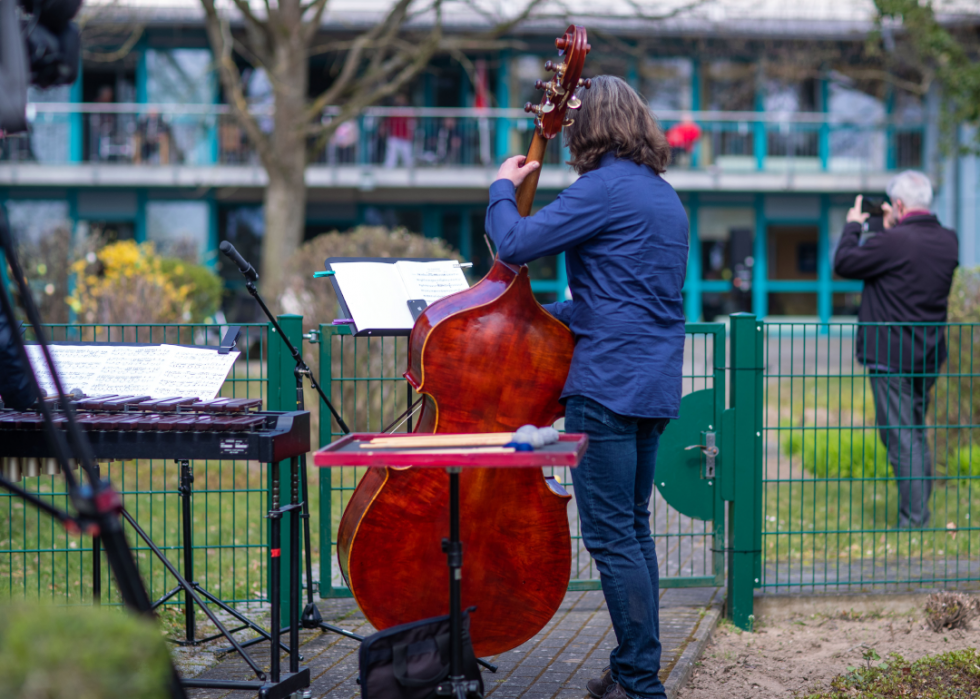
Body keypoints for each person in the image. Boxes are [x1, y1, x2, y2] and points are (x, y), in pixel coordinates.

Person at [486, 75, 688, 699]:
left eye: (574, 125)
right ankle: (637, 667)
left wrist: (501, 186)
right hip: (653, 384)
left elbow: (514, 242)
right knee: (633, 531)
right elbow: (620, 301)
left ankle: (638, 682)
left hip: (605, 388)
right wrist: (539, 317)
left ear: (591, 126)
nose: (567, 134)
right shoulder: (664, 197)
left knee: (610, 538)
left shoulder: (602, 189)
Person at [834, 170, 959, 529]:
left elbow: (845, 262)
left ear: (899, 205)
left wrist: (855, 226)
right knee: (915, 431)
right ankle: (920, 510)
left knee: (900, 437)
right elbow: (905, 266)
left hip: (891, 355)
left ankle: (915, 520)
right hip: (930, 353)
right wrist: (891, 227)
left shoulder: (894, 242)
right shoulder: (948, 240)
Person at [383, 94, 414, 168]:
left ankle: (410, 174)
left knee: (407, 156)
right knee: (391, 156)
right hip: (394, 135)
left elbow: (412, 123)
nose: (399, 99)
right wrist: (384, 127)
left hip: (405, 135)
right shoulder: (393, 108)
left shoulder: (409, 109)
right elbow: (389, 121)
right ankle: (388, 172)